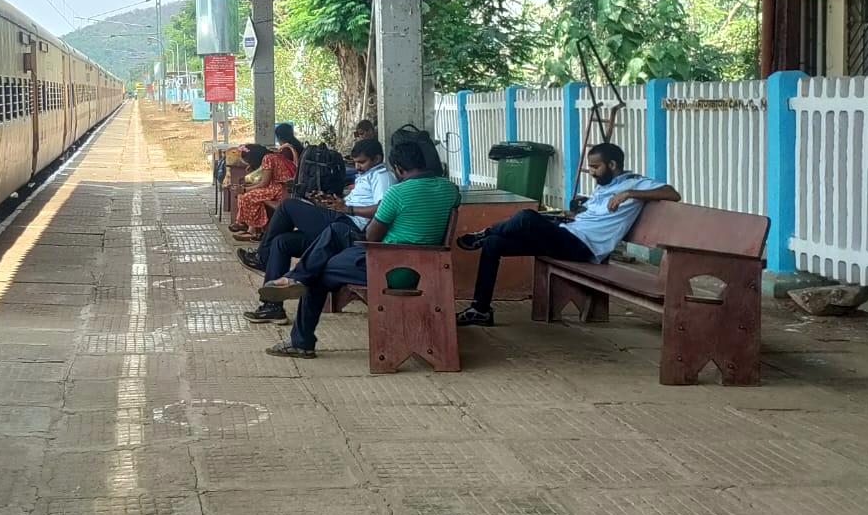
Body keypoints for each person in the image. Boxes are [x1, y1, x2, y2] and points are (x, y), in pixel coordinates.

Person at [256, 141, 460, 358]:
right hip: (427, 267)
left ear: (399, 169)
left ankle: (301, 339)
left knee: (317, 268)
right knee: (333, 233)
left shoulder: (396, 194)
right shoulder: (451, 190)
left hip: (389, 267)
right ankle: (295, 279)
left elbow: (372, 236)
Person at [454, 142, 680, 327]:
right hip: (568, 236)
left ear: (612, 164)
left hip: (584, 247)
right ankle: (480, 309)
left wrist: (630, 194)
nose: (591, 172)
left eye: (595, 167)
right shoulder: (604, 184)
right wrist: (575, 212)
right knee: (494, 244)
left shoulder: (636, 183)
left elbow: (672, 193)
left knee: (526, 217)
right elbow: (592, 213)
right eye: (590, 167)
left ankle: (483, 233)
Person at [238, 139, 396, 323]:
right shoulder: (366, 175)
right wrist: (331, 203)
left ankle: (262, 257)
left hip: (349, 229)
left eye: (363, 162)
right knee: (282, 242)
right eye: (356, 163)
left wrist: (348, 209)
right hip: (340, 220)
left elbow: (382, 209)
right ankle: (272, 306)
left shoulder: (383, 176)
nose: (359, 167)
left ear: (377, 158)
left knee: (288, 206)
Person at [230, 144, 296, 240]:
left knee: (248, 196)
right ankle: (246, 225)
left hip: (280, 190)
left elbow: (264, 183)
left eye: (249, 161)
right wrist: (246, 188)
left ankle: (252, 231)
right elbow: (263, 182)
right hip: (279, 188)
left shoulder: (268, 158)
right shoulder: (272, 155)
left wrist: (245, 189)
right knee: (244, 195)